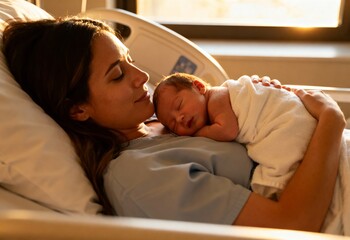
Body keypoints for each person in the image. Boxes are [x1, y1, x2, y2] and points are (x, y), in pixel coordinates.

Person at [1, 17, 346, 233]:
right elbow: (293, 224)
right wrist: (330, 118)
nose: (143, 76)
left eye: (130, 61)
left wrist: (256, 98)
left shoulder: (161, 124)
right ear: (78, 110)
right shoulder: (139, 177)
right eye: (118, 74)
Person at [152, 72, 317, 199]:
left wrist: (198, 133)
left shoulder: (217, 97)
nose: (179, 118)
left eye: (179, 105)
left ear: (199, 87)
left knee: (272, 179)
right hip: (293, 119)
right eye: (173, 124)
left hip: (284, 120)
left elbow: (227, 131)